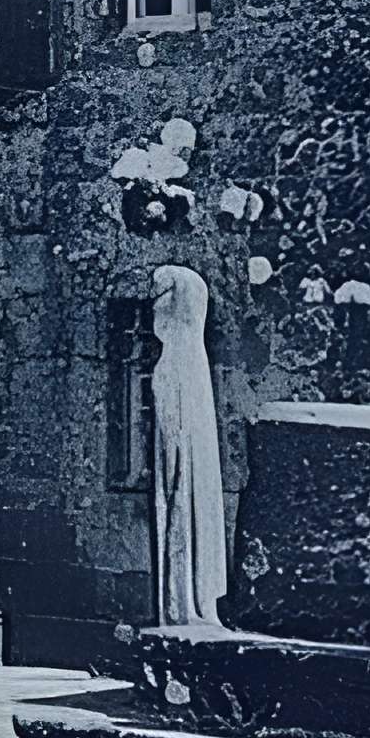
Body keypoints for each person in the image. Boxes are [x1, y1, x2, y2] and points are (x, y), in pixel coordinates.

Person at [149, 265, 228, 628]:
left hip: (182, 466)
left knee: (182, 506)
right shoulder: (196, 359)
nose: (154, 311)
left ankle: (186, 603)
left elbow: (174, 439)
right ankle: (193, 601)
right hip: (188, 463)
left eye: (160, 301)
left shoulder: (176, 362)